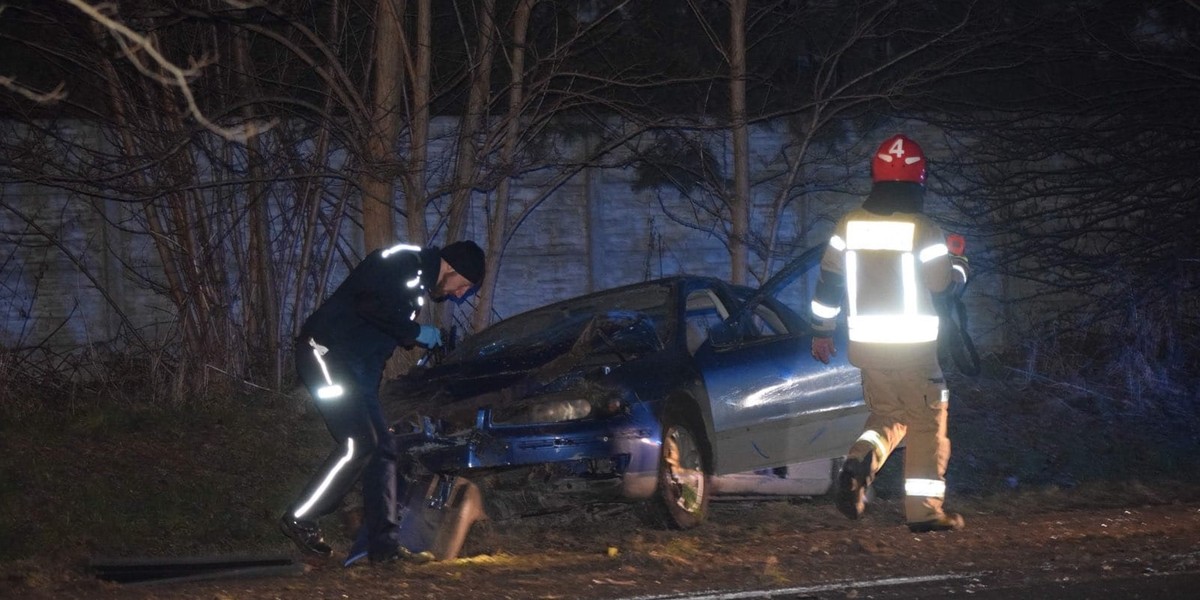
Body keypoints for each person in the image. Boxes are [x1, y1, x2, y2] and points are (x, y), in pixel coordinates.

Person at [281, 240, 486, 562]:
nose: (461, 294)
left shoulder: (416, 289)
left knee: (383, 448)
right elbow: (370, 305)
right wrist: (416, 332)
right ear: (453, 268)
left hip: (355, 372)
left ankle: (383, 548)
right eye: (465, 286)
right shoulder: (402, 262)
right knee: (359, 442)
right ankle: (301, 517)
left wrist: (370, 387)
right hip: (323, 354)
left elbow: (377, 342)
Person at [808, 134, 969, 533]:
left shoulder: (849, 224)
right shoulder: (923, 228)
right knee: (928, 424)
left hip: (868, 348)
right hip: (914, 351)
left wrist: (821, 332)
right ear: (919, 180)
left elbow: (827, 282)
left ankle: (856, 465)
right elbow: (943, 286)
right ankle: (925, 512)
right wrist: (961, 263)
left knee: (889, 416)